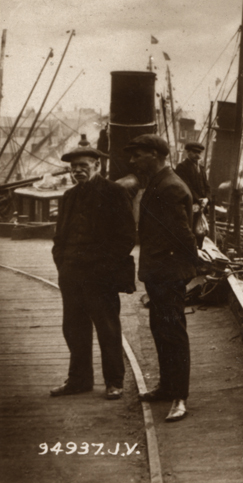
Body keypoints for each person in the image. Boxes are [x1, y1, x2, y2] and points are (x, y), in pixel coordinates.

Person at [50, 146, 136, 400]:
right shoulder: (68, 196)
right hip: (71, 273)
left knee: (107, 328)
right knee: (74, 328)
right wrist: (62, 263)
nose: (78, 171)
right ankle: (79, 380)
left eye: (83, 166)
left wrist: (105, 268)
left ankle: (114, 381)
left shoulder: (114, 192)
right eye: (74, 167)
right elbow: (60, 236)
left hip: (100, 275)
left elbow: (126, 237)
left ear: (97, 166)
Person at [126, 134, 198, 423]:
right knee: (160, 328)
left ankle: (180, 397)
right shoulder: (158, 182)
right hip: (159, 272)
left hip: (169, 273)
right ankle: (167, 387)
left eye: (137, 155)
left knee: (174, 333)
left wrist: (186, 269)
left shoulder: (169, 187)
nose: (132, 161)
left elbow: (183, 235)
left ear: (155, 155)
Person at [174, 141, 209, 244]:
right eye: (195, 152)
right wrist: (199, 200)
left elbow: (207, 186)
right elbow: (186, 186)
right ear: (187, 152)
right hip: (190, 204)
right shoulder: (182, 167)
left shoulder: (202, 168)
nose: (197, 155)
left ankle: (199, 250)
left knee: (200, 230)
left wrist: (207, 198)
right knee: (189, 229)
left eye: (199, 153)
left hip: (202, 204)